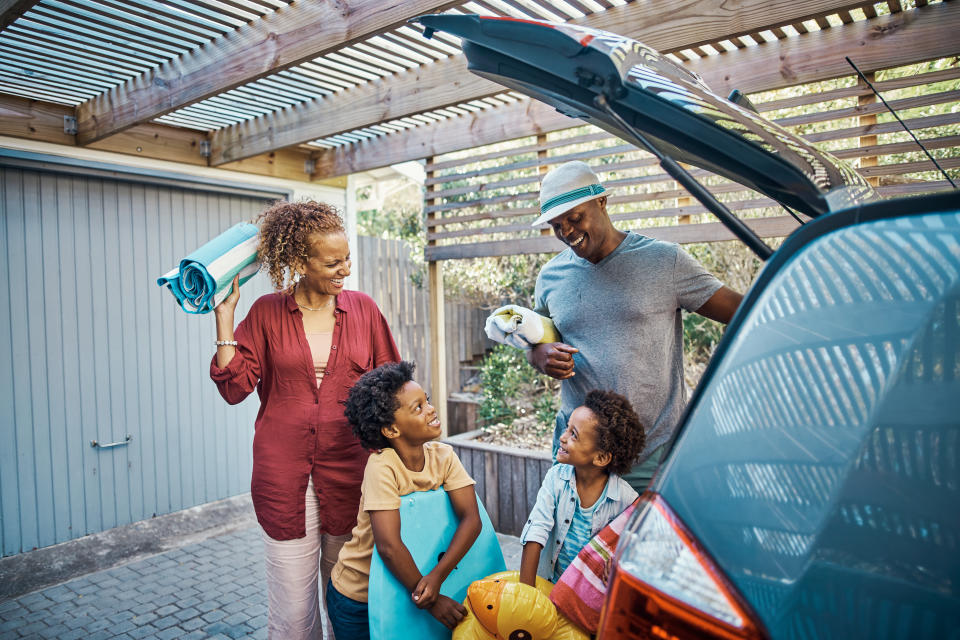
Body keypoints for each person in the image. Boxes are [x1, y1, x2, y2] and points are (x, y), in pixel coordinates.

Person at [210, 200, 400, 640]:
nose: (345, 270)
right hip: (284, 480)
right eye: (333, 262)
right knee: (294, 619)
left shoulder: (364, 310)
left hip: (352, 476)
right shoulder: (265, 313)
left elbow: (391, 386)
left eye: (347, 258)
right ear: (299, 262)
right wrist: (224, 317)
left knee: (347, 603)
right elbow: (234, 387)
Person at [527, 161, 743, 492]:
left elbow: (742, 311)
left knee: (650, 544)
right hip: (578, 452)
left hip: (651, 453)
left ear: (601, 202)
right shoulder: (550, 278)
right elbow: (537, 343)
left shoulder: (664, 261)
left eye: (574, 218)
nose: (567, 232)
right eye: (557, 226)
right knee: (576, 545)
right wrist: (539, 355)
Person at [327, 361, 481, 639]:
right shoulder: (382, 467)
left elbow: (471, 519)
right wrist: (431, 600)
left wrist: (435, 580)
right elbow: (389, 546)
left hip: (419, 586)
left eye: (427, 401)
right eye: (418, 407)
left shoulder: (444, 457)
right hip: (360, 596)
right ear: (392, 430)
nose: (431, 409)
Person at [518, 390, 644, 585]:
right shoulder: (556, 478)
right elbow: (537, 529)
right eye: (567, 428)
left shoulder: (627, 501)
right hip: (550, 586)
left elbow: (633, 550)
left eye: (573, 435)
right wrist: (525, 592)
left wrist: (620, 558)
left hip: (587, 601)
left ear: (601, 457)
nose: (562, 437)